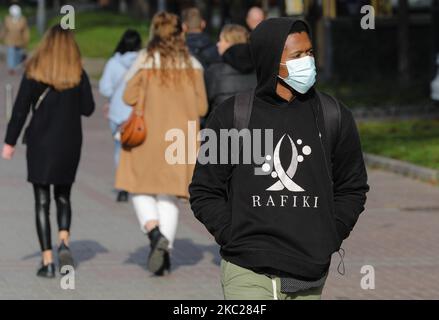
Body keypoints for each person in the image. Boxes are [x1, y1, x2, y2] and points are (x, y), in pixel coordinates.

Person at [189, 18, 369, 300]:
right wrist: (233, 235)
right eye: (297, 55)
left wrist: (330, 234)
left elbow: (352, 187)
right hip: (248, 270)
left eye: (309, 53)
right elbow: (204, 190)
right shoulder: (232, 115)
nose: (307, 61)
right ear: (271, 60)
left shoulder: (334, 115)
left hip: (310, 269)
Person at [116, 12, 208, 276]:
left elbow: (127, 95)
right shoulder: (193, 65)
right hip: (181, 141)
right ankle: (164, 255)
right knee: (170, 195)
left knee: (139, 188)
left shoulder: (145, 61)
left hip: (147, 139)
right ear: (181, 34)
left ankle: (155, 234)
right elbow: (202, 105)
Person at [1, 25, 95, 278]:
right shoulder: (78, 74)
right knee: (63, 196)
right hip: (69, 144)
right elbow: (88, 108)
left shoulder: (34, 72)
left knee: (41, 202)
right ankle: (64, 241)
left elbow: (20, 110)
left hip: (40, 145)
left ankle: (48, 260)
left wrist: (9, 143)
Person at [99, 29, 142, 203]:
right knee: (137, 150)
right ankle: (137, 183)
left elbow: (104, 88)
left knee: (119, 149)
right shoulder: (143, 62)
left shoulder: (113, 63)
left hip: (117, 114)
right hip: (137, 114)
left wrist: (113, 97)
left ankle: (122, 186)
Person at [205, 24, 256, 112]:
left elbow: (206, 105)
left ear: (230, 43)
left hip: (221, 121)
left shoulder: (215, 71)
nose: (218, 44)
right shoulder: (259, 68)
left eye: (221, 40)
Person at [0, 4, 30, 75]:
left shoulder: (23, 19)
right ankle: (11, 68)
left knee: (18, 54)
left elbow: (25, 31)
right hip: (10, 40)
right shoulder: (7, 19)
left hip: (19, 41)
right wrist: (1, 36)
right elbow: (4, 29)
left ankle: (16, 67)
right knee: (11, 54)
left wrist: (26, 39)